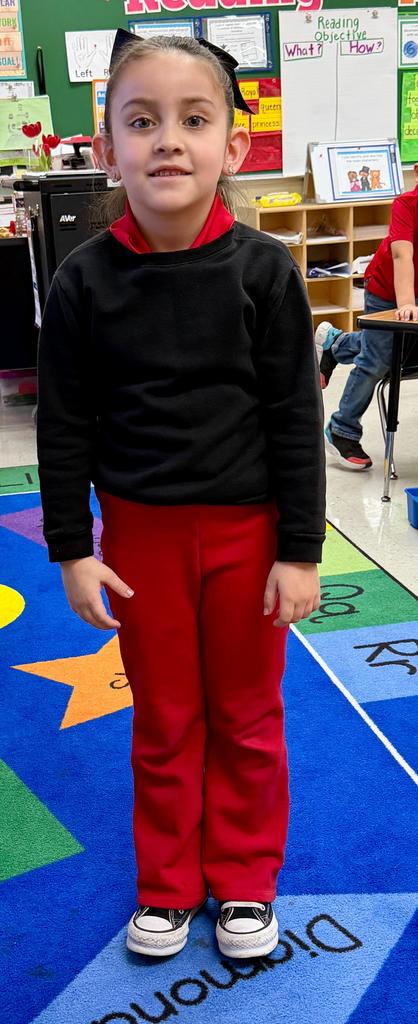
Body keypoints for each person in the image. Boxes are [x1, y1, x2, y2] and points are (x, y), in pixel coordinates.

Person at [37, 30, 325, 961]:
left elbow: (295, 419)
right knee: (164, 719)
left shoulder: (265, 271)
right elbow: (64, 427)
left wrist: (300, 551)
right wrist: (72, 550)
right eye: (142, 121)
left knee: (246, 713)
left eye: (193, 120)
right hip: (140, 542)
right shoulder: (82, 280)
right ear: (107, 145)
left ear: (231, 147)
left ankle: (242, 880)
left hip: (249, 537)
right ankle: (167, 886)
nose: (167, 140)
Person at [315, 165, 418, 470]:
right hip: (388, 290)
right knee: (378, 360)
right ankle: (342, 429)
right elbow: (402, 255)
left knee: (397, 350)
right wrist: (407, 303)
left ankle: (336, 343)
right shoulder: (406, 204)